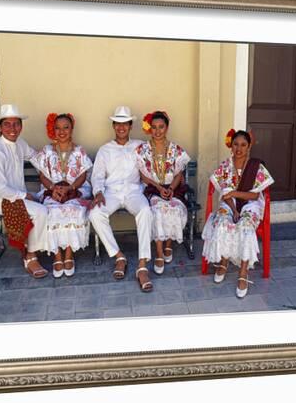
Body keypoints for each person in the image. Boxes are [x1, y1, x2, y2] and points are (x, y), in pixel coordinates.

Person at [201, 129, 274, 298]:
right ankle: (224, 262)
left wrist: (235, 194)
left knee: (246, 228)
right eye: (235, 144)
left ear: (249, 147)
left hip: (250, 205)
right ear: (230, 146)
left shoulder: (256, 166)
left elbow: (255, 195)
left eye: (243, 145)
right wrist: (234, 210)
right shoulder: (226, 166)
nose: (239, 149)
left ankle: (243, 272)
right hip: (230, 205)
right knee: (222, 224)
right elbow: (225, 194)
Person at [88, 106, 154, 292]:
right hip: (111, 192)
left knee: (145, 211)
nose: (121, 127)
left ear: (130, 126)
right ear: (113, 125)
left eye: (125, 124)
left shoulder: (139, 147)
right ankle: (119, 256)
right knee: (95, 214)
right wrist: (98, 192)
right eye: (118, 124)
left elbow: (152, 165)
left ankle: (142, 266)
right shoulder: (105, 150)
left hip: (134, 191)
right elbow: (97, 175)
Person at [0, 104, 49, 278]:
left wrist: (52, 161)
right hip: (3, 200)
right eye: (7, 124)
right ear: (0, 127)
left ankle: (46, 246)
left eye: (16, 124)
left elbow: (34, 157)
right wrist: (26, 195)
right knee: (41, 211)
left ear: (21, 126)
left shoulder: (20, 143)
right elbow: (0, 188)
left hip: (21, 196)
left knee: (49, 201)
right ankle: (30, 256)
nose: (12, 129)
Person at [30, 113, 93, 278]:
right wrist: (52, 188)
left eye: (66, 127)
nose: (62, 131)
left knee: (73, 210)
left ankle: (69, 255)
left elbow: (82, 175)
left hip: (74, 189)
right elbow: (42, 175)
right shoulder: (47, 151)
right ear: (53, 130)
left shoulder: (79, 151)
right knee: (50, 211)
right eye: (58, 128)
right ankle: (57, 255)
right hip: (52, 190)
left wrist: (70, 188)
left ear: (72, 129)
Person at [135, 111, 190, 275]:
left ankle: (168, 245)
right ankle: (159, 252)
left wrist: (171, 189)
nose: (157, 131)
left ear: (167, 128)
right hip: (153, 189)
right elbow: (143, 176)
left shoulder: (175, 149)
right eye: (154, 127)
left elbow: (179, 173)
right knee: (158, 210)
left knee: (174, 209)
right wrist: (160, 188)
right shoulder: (143, 150)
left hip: (173, 188)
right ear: (149, 128)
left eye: (161, 127)